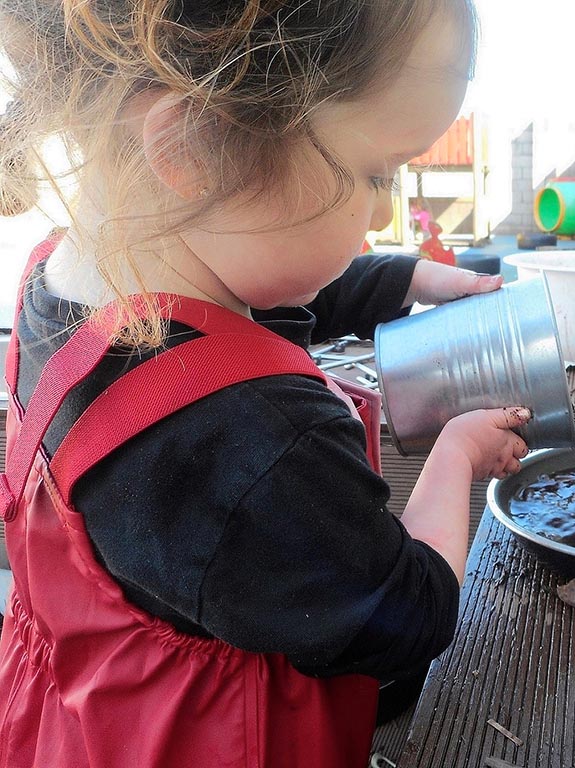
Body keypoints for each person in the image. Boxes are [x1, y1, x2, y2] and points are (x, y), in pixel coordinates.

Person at [0, 1, 531, 766]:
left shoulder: (65, 288)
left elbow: (260, 292)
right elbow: (405, 616)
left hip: (69, 724)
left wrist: (406, 279)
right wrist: (456, 455)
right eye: (377, 173)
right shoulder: (259, 436)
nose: (385, 210)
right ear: (194, 147)